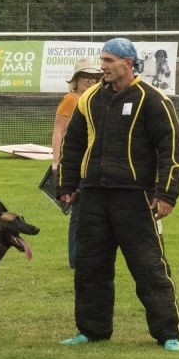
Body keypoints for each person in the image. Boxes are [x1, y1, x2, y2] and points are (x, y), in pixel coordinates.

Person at [55, 37, 179, 351]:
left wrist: (167, 194)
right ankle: (92, 330)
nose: (103, 67)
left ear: (128, 63)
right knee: (90, 267)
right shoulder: (89, 99)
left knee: (149, 267)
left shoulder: (153, 100)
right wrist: (66, 185)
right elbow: (73, 145)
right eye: (102, 60)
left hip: (136, 197)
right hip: (94, 196)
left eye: (110, 61)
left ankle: (168, 332)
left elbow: (172, 149)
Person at [51, 57, 103, 268]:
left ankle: (88, 255)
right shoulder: (71, 100)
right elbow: (58, 131)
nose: (90, 81)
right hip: (75, 163)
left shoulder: (97, 99)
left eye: (94, 77)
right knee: (78, 211)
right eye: (85, 77)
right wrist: (56, 161)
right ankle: (76, 258)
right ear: (76, 79)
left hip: (92, 163)